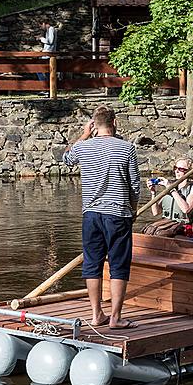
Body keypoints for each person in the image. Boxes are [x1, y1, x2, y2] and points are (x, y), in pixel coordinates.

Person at [62, 106, 140, 329]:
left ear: (94, 125)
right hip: (118, 213)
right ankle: (115, 317)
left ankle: (97, 314)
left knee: (92, 264)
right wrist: (133, 209)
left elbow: (66, 158)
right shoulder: (126, 148)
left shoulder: (83, 148)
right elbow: (134, 185)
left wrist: (84, 135)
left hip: (91, 214)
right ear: (115, 122)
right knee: (118, 265)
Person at [148, 157, 193, 233]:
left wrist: (171, 189)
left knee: (161, 234)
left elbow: (186, 209)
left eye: (180, 169)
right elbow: (156, 212)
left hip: (184, 226)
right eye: (175, 168)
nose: (177, 171)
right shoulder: (171, 186)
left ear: (189, 171)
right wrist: (153, 193)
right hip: (167, 223)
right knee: (148, 230)